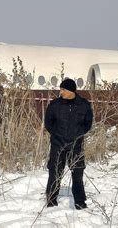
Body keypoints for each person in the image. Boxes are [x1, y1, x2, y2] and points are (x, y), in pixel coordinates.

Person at [44, 78, 93, 209]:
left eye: (63, 89)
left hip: (76, 146)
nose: (61, 92)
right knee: (55, 172)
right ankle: (51, 200)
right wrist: (57, 134)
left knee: (77, 173)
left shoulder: (83, 105)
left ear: (71, 90)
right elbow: (48, 123)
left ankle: (80, 202)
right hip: (58, 145)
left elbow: (88, 123)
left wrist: (78, 134)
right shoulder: (55, 105)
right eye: (61, 89)